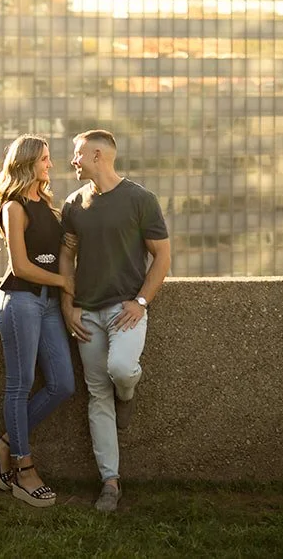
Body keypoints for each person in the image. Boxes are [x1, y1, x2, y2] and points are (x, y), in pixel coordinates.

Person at [59, 129, 171, 514]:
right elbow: (65, 260)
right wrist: (68, 307)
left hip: (126, 310)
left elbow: (162, 257)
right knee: (96, 395)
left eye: (77, 154)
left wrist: (141, 301)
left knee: (122, 370)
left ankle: (128, 394)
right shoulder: (73, 204)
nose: (72, 161)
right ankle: (110, 481)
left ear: (98, 155)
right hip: (86, 314)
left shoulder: (141, 200)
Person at [0, 135, 76, 508]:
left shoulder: (47, 204)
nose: (51, 165)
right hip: (19, 299)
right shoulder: (14, 207)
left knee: (63, 384)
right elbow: (21, 266)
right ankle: (23, 467)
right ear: (28, 162)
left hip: (47, 303)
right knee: (20, 385)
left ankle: (1, 444)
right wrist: (65, 281)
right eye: (45, 159)